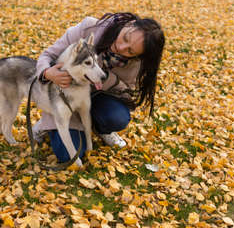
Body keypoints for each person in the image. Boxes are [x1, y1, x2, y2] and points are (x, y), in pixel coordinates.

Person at [33, 12, 165, 163]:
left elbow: (127, 91)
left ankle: (101, 129)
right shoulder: (89, 28)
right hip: (65, 96)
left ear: (137, 56)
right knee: (68, 156)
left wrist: (107, 79)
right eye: (126, 38)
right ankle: (47, 124)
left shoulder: (136, 63)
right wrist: (47, 73)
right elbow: (47, 55)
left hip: (97, 98)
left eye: (130, 51)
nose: (121, 47)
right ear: (129, 24)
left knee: (117, 117)